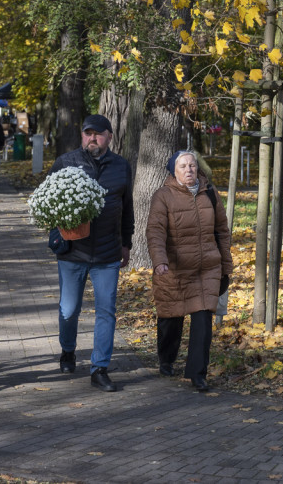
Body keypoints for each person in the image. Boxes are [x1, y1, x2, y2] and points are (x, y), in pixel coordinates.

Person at [49, 114, 134, 392]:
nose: (92, 139)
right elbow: (49, 203)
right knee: (68, 310)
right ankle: (68, 350)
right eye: (88, 134)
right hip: (73, 251)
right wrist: (57, 237)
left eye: (98, 134)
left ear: (109, 136)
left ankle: (100, 368)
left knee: (106, 312)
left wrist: (126, 243)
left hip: (108, 253)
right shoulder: (66, 162)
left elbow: (127, 207)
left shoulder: (121, 166)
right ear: (82, 136)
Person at [145, 150, 233, 392]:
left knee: (203, 318)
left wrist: (226, 264)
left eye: (192, 165)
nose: (189, 170)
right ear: (174, 171)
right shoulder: (163, 196)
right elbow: (155, 231)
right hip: (175, 268)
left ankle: (197, 373)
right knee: (171, 319)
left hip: (206, 268)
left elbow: (222, 232)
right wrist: (159, 260)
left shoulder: (210, 193)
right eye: (183, 166)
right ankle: (166, 359)